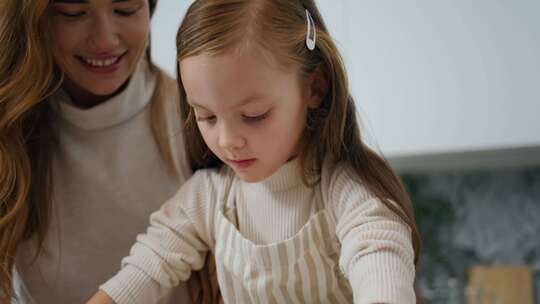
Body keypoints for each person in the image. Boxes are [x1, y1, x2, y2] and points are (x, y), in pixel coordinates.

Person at [89, 0, 422, 303]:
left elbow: (380, 259)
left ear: (314, 88)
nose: (227, 140)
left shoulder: (348, 194)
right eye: (206, 117)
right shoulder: (208, 198)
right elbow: (146, 269)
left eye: (253, 116)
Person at [0, 0, 220, 303]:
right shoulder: (10, 129)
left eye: (125, 9)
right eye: (74, 13)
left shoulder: (205, 121)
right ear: (35, 18)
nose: (104, 39)